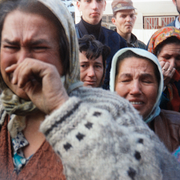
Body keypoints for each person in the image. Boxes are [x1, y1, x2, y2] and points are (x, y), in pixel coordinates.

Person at [0, 0, 180, 179]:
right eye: (10, 46)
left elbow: (161, 174)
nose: (23, 60)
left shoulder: (113, 109)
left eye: (38, 47)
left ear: (66, 55)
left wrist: (62, 109)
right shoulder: (3, 113)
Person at [110, 47, 180, 154]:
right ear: (113, 85)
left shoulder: (176, 128)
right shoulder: (93, 130)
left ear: (159, 87)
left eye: (146, 81)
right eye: (126, 80)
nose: (135, 90)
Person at [76, 0, 127, 89]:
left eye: (99, 1)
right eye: (88, 1)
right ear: (78, 5)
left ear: (104, 5)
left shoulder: (117, 41)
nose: (95, 6)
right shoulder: (66, 38)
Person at [148, 27, 180, 112]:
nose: (172, 64)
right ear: (154, 56)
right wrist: (160, 85)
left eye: (178, 58)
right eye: (167, 57)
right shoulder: (142, 81)